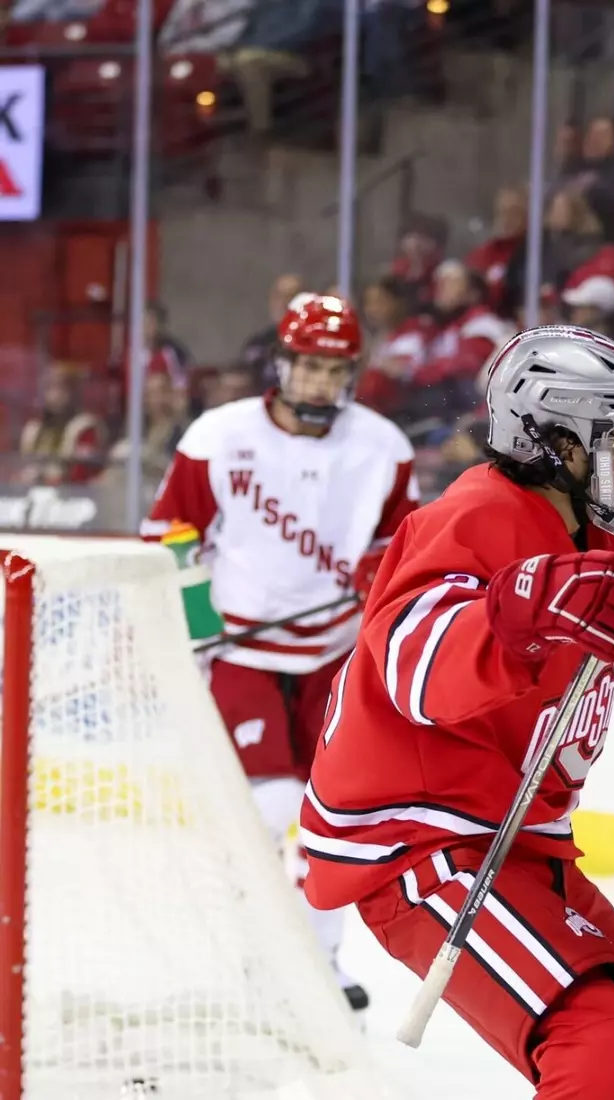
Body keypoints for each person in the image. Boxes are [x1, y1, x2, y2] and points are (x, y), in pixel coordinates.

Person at [296, 326, 614, 1100]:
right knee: (598, 1045)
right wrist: (523, 613)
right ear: (557, 444)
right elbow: (417, 664)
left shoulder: (594, 532)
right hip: (420, 840)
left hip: (517, 837)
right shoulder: (474, 516)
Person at [143, 293, 419, 1010]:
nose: (320, 384)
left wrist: (382, 572)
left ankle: (321, 964)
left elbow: (403, 546)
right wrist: (200, 622)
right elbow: (169, 532)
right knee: (269, 806)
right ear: (282, 364)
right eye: (309, 367)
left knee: (337, 816)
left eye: (335, 370)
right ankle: (255, 954)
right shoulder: (219, 435)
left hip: (335, 653)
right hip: (242, 651)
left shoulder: (384, 447)